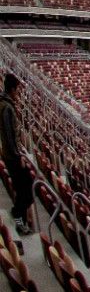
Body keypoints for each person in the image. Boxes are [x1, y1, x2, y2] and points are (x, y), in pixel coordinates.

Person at [1, 75, 29, 238]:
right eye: (17, 89)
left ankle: (19, 215)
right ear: (12, 89)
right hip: (12, 158)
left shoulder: (5, 104)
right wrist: (19, 156)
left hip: (10, 155)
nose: (19, 93)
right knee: (24, 191)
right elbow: (10, 137)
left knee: (23, 190)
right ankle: (19, 221)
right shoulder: (7, 108)